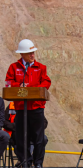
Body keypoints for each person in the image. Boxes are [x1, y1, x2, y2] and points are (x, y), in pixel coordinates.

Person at [5, 39, 51, 168]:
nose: (32, 55)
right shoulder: (14, 67)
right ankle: (25, 162)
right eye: (29, 53)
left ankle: (38, 163)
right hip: (21, 108)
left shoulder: (41, 67)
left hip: (37, 107)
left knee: (38, 138)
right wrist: (18, 85)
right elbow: (8, 83)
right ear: (22, 54)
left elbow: (46, 82)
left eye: (33, 52)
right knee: (21, 137)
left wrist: (32, 88)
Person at [3, 102, 49, 167]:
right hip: (17, 131)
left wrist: (34, 128)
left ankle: (36, 162)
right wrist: (16, 127)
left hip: (35, 107)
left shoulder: (36, 108)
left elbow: (44, 122)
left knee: (43, 138)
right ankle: (25, 161)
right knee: (20, 140)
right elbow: (4, 121)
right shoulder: (11, 106)